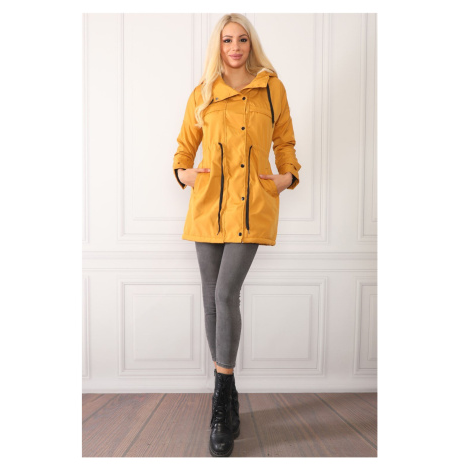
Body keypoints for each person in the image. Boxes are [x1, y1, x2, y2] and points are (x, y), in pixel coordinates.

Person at [172, 13, 302, 457]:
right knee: (211, 299)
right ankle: (225, 400)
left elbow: (285, 141)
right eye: (227, 40)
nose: (234, 47)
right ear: (219, 45)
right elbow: (183, 147)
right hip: (208, 205)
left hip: (251, 206)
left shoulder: (271, 88)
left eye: (242, 39)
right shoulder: (202, 93)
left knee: (226, 294)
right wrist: (185, 174)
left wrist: (286, 177)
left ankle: (220, 398)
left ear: (251, 44)